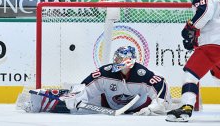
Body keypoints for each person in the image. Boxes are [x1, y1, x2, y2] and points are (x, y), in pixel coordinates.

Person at [19, 46, 172, 116]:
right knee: (72, 105)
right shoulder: (106, 71)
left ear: (129, 61)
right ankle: (37, 102)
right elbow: (85, 84)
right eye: (116, 58)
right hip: (107, 102)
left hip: (139, 107)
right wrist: (76, 96)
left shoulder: (142, 74)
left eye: (121, 59)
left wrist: (153, 108)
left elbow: (161, 87)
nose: (117, 61)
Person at [166, 0, 220, 122]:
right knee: (217, 76)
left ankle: (185, 107)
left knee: (190, 75)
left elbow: (204, 14)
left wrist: (190, 26)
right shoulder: (219, 3)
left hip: (211, 46)